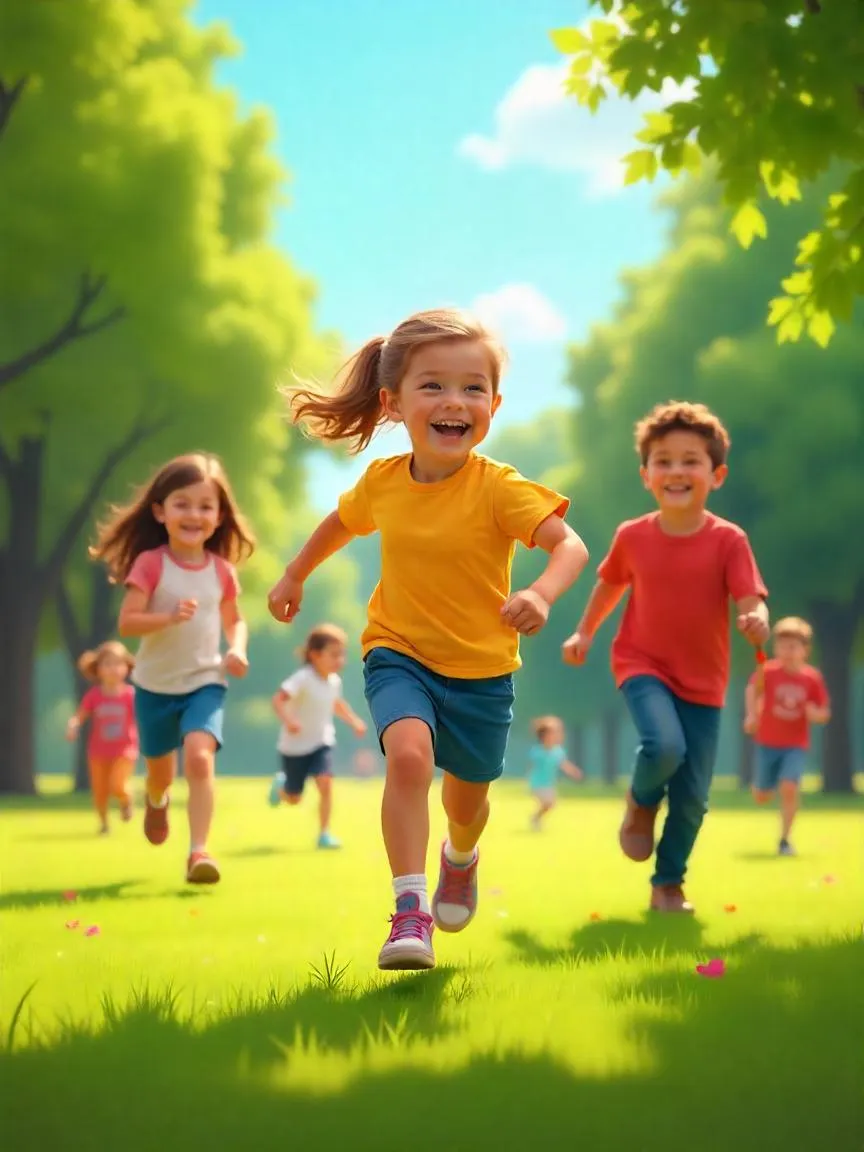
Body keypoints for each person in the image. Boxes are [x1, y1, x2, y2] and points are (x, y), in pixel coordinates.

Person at [268, 307, 588, 970]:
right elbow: (340, 521)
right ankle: (409, 913)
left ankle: (460, 859)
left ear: (494, 405)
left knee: (466, 802)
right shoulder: (384, 483)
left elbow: (571, 546)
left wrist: (540, 593)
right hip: (398, 654)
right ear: (394, 402)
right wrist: (295, 572)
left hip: (481, 671)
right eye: (433, 385)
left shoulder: (500, 488)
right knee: (409, 759)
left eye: (473, 388)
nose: (454, 402)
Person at [562, 401, 769, 914]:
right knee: (663, 744)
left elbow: (749, 595)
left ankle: (668, 884)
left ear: (716, 475)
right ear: (646, 474)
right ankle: (640, 801)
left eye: (691, 460)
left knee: (695, 796)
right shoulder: (633, 535)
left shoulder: (728, 540)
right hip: (641, 662)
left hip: (705, 679)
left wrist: (757, 616)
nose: (677, 470)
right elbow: (610, 585)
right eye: (664, 460)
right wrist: (584, 632)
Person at [90, 452, 254, 884]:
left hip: (205, 681)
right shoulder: (151, 565)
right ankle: (156, 799)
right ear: (160, 511)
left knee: (200, 758)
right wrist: (168, 618)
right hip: (154, 687)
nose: (194, 514)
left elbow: (235, 621)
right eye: (182, 504)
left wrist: (235, 650)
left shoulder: (222, 571)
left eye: (205, 506)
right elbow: (127, 623)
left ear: (219, 517)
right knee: (161, 772)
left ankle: (198, 852)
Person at [268, 622, 367, 849]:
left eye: (342, 654)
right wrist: (289, 720)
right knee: (294, 798)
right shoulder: (302, 678)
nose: (339, 660)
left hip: (321, 742)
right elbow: (278, 699)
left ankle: (324, 834)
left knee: (325, 782)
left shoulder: (334, 681)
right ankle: (282, 785)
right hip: (294, 747)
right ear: (314, 655)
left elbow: (336, 704)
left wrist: (353, 721)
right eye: (333, 655)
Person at [744, 616, 831, 856]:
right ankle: (762, 787)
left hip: (795, 745)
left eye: (793, 646)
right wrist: (752, 715)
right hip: (766, 742)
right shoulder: (768, 671)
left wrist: (815, 713)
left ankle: (784, 840)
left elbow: (823, 712)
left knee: (789, 786)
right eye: (781, 646)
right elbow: (753, 689)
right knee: (762, 795)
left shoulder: (811, 678)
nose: (786, 652)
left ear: (805, 650)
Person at [65, 640, 138, 835]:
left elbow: (143, 718)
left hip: (125, 750)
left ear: (126, 667)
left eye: (118, 663)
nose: (113, 669)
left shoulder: (130, 695)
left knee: (117, 784)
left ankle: (126, 799)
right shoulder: (94, 695)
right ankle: (104, 824)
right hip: (98, 752)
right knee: (100, 791)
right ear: (98, 669)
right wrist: (73, 725)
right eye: (108, 664)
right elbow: (80, 715)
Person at [527, 715, 583, 830]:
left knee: (551, 804)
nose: (555, 736)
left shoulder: (557, 751)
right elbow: (532, 766)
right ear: (543, 736)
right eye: (552, 733)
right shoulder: (538, 751)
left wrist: (574, 772)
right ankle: (536, 820)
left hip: (549, 783)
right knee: (547, 803)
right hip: (537, 784)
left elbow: (564, 764)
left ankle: (536, 818)